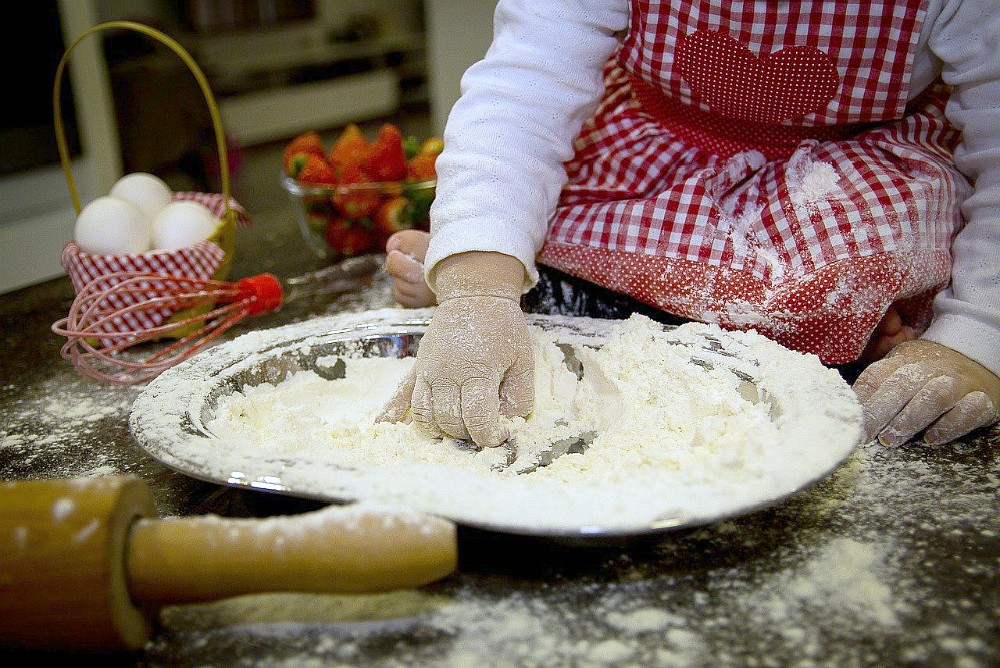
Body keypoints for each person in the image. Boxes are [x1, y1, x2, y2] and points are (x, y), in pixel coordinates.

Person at [378, 0, 1000, 450]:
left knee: (831, 283)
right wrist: (477, 278)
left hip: (843, 176)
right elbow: (523, 95)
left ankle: (854, 330)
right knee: (526, 220)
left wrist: (974, 336)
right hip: (655, 157)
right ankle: (516, 276)